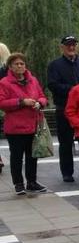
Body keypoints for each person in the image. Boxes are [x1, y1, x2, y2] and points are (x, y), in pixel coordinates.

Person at [0, 53, 49, 194]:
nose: (20, 66)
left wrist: (40, 103)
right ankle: (18, 183)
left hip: (33, 124)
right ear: (10, 66)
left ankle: (32, 182)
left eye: (22, 63)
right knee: (16, 157)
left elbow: (42, 96)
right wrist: (21, 102)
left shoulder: (32, 80)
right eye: (16, 64)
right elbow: (2, 103)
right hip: (15, 128)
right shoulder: (4, 83)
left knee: (32, 156)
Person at [48, 35, 79, 183]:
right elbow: (53, 85)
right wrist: (75, 90)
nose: (71, 47)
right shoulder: (55, 65)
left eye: (73, 45)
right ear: (62, 47)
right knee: (65, 143)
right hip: (64, 109)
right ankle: (67, 172)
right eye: (68, 45)